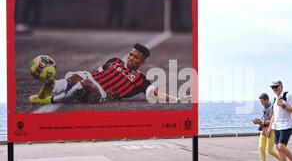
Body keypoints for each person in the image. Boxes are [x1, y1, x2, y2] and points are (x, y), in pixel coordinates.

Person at [29, 43, 189, 104]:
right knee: (75, 77)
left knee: (85, 83)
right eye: (131, 54)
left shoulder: (140, 80)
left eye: (135, 58)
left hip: (100, 94)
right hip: (89, 80)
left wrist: (177, 98)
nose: (130, 58)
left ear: (142, 62)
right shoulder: (114, 61)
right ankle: (49, 88)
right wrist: (79, 76)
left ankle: (51, 100)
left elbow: (156, 94)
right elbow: (95, 73)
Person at [266, 80, 292, 161]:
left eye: (276, 87)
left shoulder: (288, 96)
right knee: (278, 148)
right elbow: (274, 115)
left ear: (281, 86)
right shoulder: (275, 98)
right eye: (272, 87)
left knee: (281, 146)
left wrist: (282, 105)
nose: (274, 89)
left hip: (286, 126)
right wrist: (269, 128)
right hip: (277, 126)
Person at [252, 93, 281, 161]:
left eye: (262, 101)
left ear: (267, 100)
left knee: (270, 151)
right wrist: (258, 121)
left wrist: (262, 122)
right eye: (260, 101)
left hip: (270, 131)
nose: (261, 103)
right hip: (263, 131)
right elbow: (263, 120)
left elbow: (272, 120)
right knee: (261, 148)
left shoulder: (272, 108)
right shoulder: (264, 108)